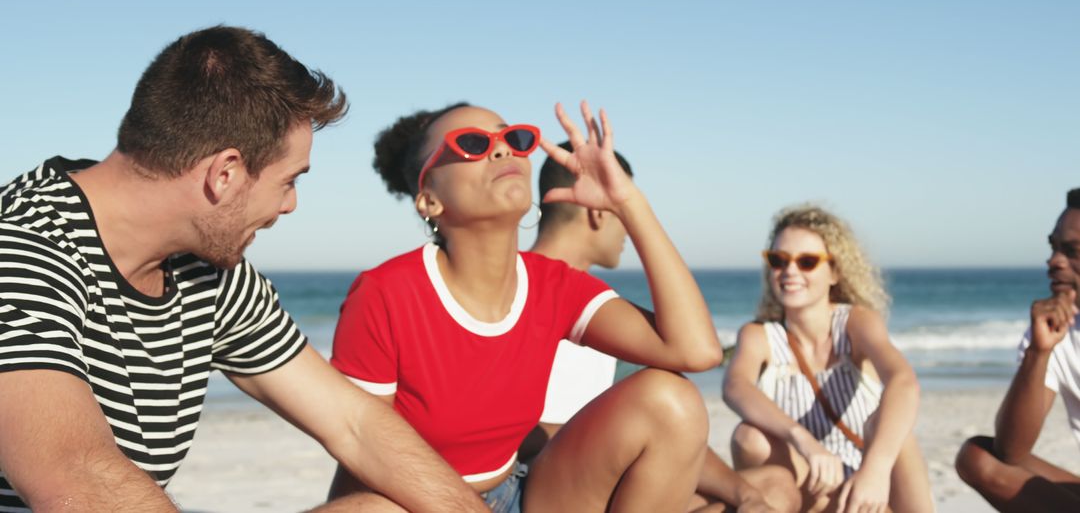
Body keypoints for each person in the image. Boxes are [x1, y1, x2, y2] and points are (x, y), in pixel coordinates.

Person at [0, 26, 485, 512]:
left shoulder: (205, 270)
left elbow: (353, 423)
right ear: (225, 173)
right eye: (289, 181)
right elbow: (78, 477)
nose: (291, 205)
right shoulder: (22, 247)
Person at [329, 101, 723, 512]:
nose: (502, 150)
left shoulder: (553, 284)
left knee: (672, 400)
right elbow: (363, 449)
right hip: (414, 503)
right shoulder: (386, 292)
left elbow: (695, 351)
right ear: (429, 200)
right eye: (472, 144)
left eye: (512, 139)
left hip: (525, 494)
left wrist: (627, 202)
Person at [521, 142, 797, 512]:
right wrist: (609, 437)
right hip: (544, 490)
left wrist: (745, 496)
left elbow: (678, 401)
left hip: (613, 480)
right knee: (667, 397)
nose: (627, 236)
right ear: (598, 213)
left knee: (776, 489)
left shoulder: (600, 310)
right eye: (623, 212)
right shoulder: (516, 288)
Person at [722, 205, 932, 512]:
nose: (790, 271)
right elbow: (735, 388)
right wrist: (803, 440)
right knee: (750, 436)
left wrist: (875, 470)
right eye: (779, 260)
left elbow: (904, 382)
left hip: (875, 482)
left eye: (807, 262)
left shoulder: (856, 323)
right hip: (812, 484)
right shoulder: (760, 336)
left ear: (834, 271)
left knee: (892, 428)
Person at [954, 188, 1080, 511]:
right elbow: (1011, 452)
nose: (1054, 262)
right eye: (1053, 248)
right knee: (977, 457)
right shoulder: (1056, 330)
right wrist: (1038, 353)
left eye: (1072, 251)